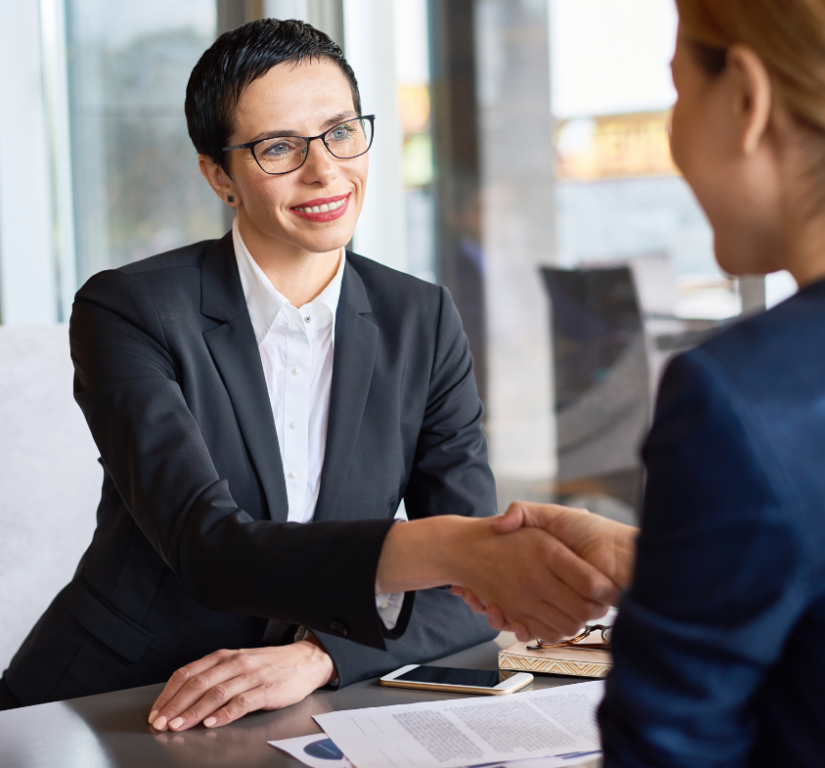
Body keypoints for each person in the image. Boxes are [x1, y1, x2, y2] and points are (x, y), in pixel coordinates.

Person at [0, 19, 618, 727]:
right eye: (277, 147)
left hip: (306, 704)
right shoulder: (129, 309)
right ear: (219, 176)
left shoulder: (421, 318)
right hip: (116, 697)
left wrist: (321, 655)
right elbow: (208, 548)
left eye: (341, 132)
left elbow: (468, 595)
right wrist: (457, 549)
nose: (324, 171)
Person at [468, 0, 825, 765]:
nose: (674, 138)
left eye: (678, 91)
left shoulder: (742, 397)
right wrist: (664, 567)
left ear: (746, 99)